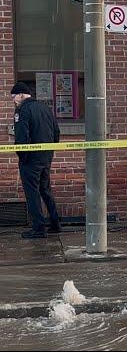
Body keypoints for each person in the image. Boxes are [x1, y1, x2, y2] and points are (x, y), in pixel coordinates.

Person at [12, 81, 61, 239]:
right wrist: (50, 152)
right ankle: (55, 223)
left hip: (30, 160)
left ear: (21, 94)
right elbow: (56, 132)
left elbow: (21, 137)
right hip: (46, 157)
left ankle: (39, 228)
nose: (13, 100)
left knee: (32, 193)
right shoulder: (45, 108)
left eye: (14, 97)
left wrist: (23, 157)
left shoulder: (23, 110)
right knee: (45, 190)